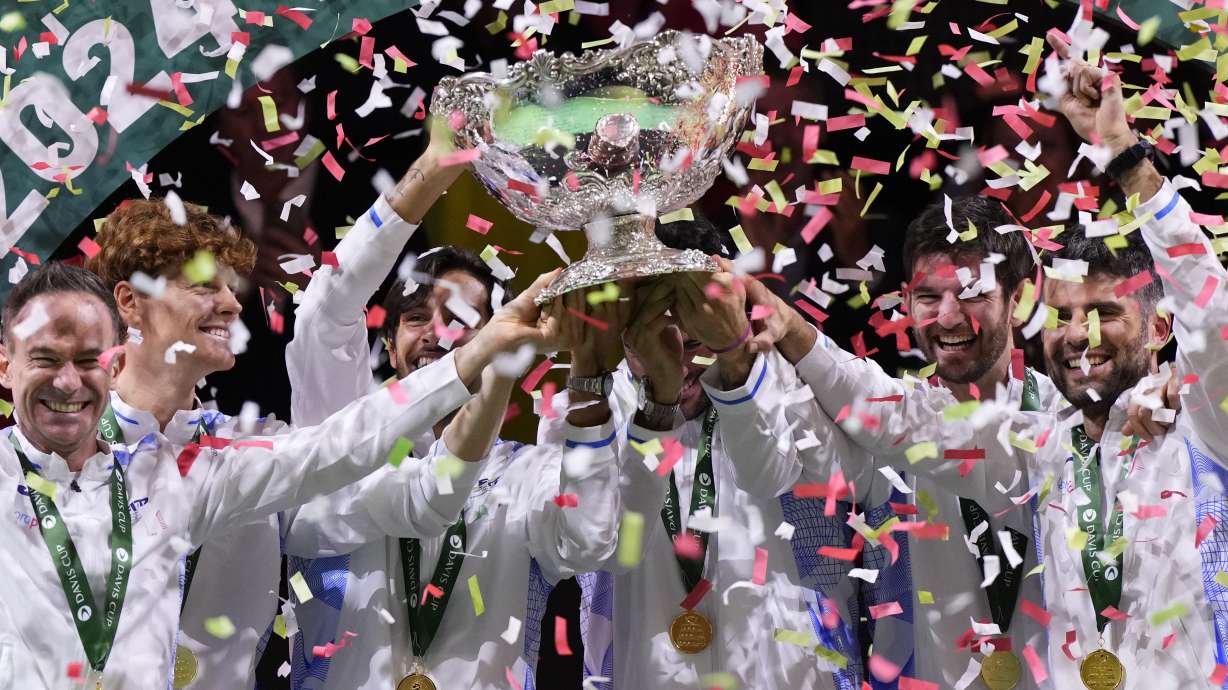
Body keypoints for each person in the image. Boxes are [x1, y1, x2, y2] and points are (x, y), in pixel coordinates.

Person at [736, 30, 1226, 688]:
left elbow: (1211, 311)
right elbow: (897, 419)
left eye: (1106, 313)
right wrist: (789, 325)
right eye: (1065, 315)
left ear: (1160, 326)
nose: (1080, 335)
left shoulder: (1200, 431)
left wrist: (1127, 160)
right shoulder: (1045, 445)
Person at [0, 261, 554, 689]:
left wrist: (483, 353)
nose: (69, 383)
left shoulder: (187, 479)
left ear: (115, 361)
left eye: (89, 360)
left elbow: (338, 444)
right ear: (6, 365)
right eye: (46, 360)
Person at [84, 137, 469, 689]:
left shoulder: (252, 451)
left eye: (231, 287)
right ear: (129, 302)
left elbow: (366, 460)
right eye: (203, 285)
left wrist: (481, 361)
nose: (232, 303)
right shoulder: (47, 453)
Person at [282, 222, 625, 688]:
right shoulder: (346, 453)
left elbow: (587, 542)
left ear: (499, 333)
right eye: (417, 318)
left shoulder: (525, 473)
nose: (436, 335)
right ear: (388, 342)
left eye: (460, 321)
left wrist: (586, 371)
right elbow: (322, 319)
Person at [539, 215, 862, 690]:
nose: (682, 366)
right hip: (647, 671)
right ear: (626, 332)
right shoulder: (580, 415)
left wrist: (734, 363)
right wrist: (657, 405)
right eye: (655, 345)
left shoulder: (783, 382)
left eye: (696, 343)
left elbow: (770, 474)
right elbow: (596, 549)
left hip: (779, 670)